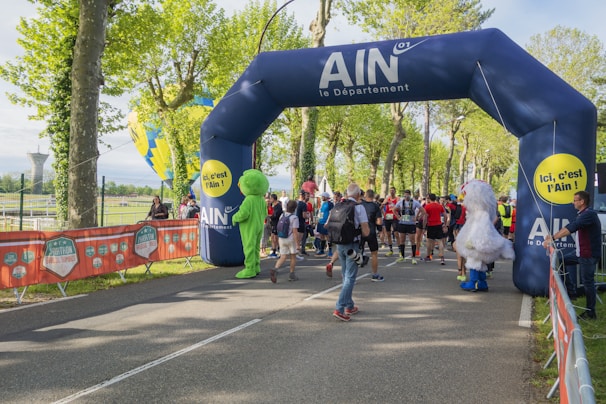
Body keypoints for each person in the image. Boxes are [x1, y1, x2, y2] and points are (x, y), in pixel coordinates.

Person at [543, 190, 601, 320]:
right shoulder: (583, 214)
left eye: (575, 200)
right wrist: (552, 237)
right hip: (580, 253)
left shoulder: (589, 214)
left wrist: (552, 238)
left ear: (582, 201)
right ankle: (571, 291)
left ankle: (591, 312)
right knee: (560, 260)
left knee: (588, 282)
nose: (573, 202)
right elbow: (569, 226)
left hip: (588, 254)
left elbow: (571, 228)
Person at [327, 183, 370, 321]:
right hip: (353, 245)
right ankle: (339, 308)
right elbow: (365, 231)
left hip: (340, 244)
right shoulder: (359, 208)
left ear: (347, 194)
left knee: (346, 276)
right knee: (350, 277)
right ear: (358, 195)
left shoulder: (338, 205)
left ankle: (349, 305)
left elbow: (328, 224)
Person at [270, 200, 300, 283]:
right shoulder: (294, 218)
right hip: (290, 239)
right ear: (294, 208)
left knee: (283, 256)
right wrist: (298, 244)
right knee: (293, 257)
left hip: (282, 238)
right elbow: (295, 231)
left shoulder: (282, 215)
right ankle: (291, 274)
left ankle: (275, 268)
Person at [393, 190, 425, 265]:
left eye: (408, 195)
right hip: (402, 223)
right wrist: (398, 217)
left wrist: (417, 217)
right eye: (405, 195)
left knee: (412, 240)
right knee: (402, 240)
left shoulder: (415, 202)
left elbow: (423, 211)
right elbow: (394, 209)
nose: (406, 196)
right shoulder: (400, 202)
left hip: (411, 224)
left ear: (410, 195)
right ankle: (402, 256)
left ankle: (413, 257)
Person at [360, 189, 384, 281]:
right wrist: (380, 230)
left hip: (361, 231)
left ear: (365, 195)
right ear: (373, 196)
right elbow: (379, 221)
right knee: (374, 254)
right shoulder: (375, 206)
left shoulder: (360, 205)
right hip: (371, 232)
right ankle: (375, 275)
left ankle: (351, 277)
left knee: (356, 253)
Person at [423, 193, 448, 265]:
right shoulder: (440, 206)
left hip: (431, 225)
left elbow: (425, 217)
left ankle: (428, 256)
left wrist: (424, 227)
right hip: (438, 225)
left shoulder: (427, 206)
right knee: (440, 241)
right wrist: (445, 224)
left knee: (429, 241)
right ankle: (442, 257)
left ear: (429, 199)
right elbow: (445, 216)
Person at [381, 186, 399, 256]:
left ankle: (400, 250)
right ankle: (391, 250)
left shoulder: (397, 199)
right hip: (387, 218)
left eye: (393, 190)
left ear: (395, 191)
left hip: (394, 218)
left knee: (396, 234)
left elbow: (398, 207)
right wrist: (383, 204)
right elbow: (381, 207)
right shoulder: (387, 199)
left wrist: (394, 208)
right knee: (388, 234)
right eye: (390, 190)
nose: (391, 192)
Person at [315, 192, 334, 257]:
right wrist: (318, 220)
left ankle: (330, 251)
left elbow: (331, 213)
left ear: (326, 197)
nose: (322, 197)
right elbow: (321, 212)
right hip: (321, 222)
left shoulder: (330, 204)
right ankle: (322, 250)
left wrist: (328, 222)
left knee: (327, 237)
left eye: (323, 196)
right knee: (321, 236)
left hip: (326, 222)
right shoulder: (323, 204)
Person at [268, 194, 282, 258]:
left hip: (277, 223)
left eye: (271, 198)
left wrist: (269, 216)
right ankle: (273, 251)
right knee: (272, 237)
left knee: (276, 238)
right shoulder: (273, 206)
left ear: (274, 199)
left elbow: (276, 215)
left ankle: (280, 251)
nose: (270, 200)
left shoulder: (278, 206)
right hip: (273, 223)